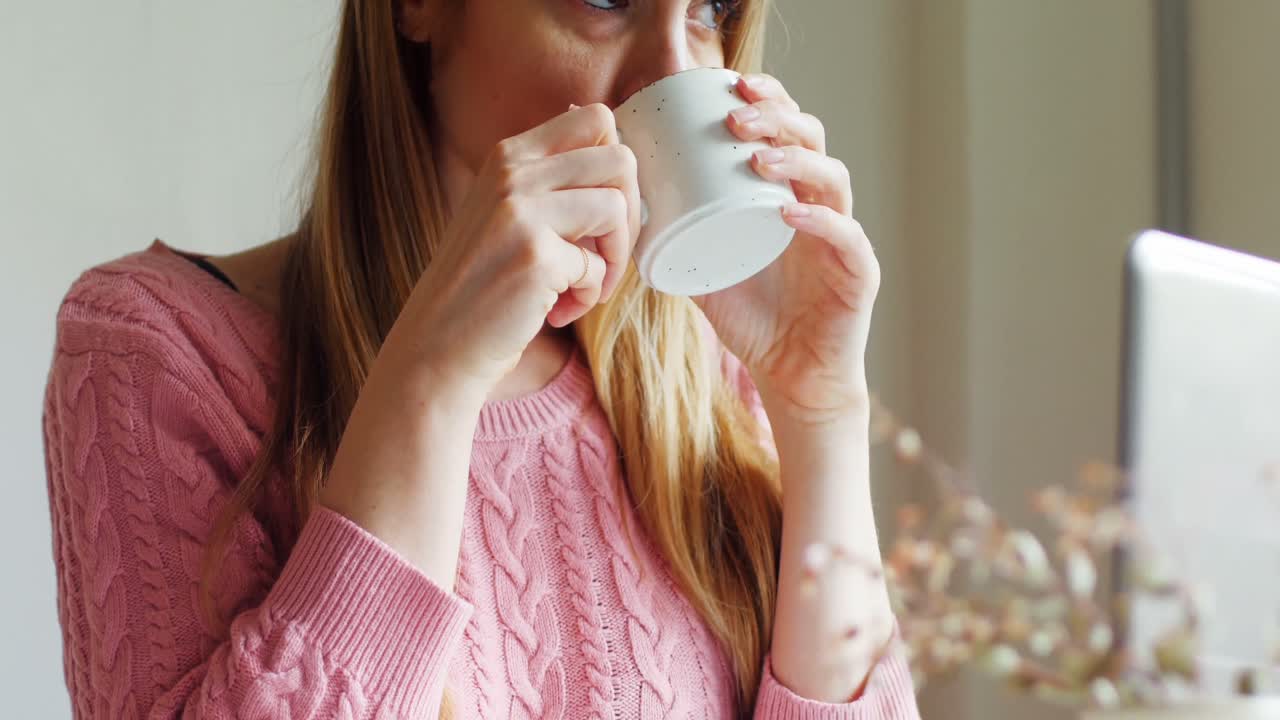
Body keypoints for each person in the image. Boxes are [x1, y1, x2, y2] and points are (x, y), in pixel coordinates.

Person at [42, 0, 920, 717]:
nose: (679, 71)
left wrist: (820, 414)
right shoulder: (160, 351)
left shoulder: (713, 368)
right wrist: (431, 381)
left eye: (710, 10)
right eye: (606, 1)